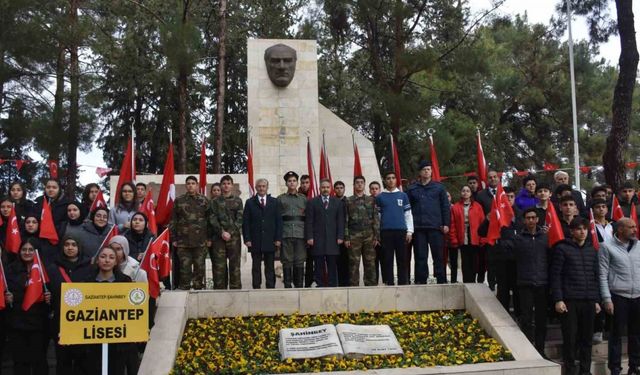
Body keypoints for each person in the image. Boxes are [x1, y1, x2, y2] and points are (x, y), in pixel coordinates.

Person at [551, 217, 601, 375]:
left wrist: (597, 300)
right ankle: (571, 370)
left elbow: (596, 276)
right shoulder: (562, 249)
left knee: (587, 339)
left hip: (589, 301)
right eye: (579, 229)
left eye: (585, 229)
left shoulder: (591, 249)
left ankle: (585, 371)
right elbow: (556, 275)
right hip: (569, 301)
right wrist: (558, 299)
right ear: (572, 231)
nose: (582, 232)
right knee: (570, 338)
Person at [599, 218, 640, 375]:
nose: (635, 230)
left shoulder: (639, 246)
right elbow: (602, 275)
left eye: (635, 227)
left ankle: (634, 366)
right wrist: (606, 298)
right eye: (631, 227)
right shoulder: (606, 247)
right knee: (616, 335)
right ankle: (615, 368)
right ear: (620, 229)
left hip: (637, 296)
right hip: (618, 296)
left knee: (636, 334)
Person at [46, 235, 93, 375]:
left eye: (74, 244)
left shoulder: (90, 268)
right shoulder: (52, 268)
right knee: (63, 361)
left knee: (82, 362)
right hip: (60, 322)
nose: (70, 248)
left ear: (79, 247)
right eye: (67, 244)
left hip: (82, 322)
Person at [5, 239, 52, 375]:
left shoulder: (46, 270)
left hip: (39, 325)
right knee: (20, 362)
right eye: (24, 250)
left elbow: (55, 293)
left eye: (31, 250)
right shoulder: (10, 270)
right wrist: (6, 298)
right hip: (16, 324)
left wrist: (50, 298)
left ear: (36, 252)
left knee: (39, 361)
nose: (27, 252)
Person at [506, 208, 548, 355]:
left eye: (533, 218)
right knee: (526, 318)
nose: (531, 220)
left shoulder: (545, 237)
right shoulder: (518, 238)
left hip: (542, 283)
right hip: (525, 284)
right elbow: (506, 251)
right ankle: (529, 350)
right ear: (524, 220)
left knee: (541, 320)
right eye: (528, 218)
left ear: (537, 220)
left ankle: (541, 350)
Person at [85, 246, 132, 375]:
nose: (107, 260)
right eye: (103, 257)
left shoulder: (125, 282)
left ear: (116, 261)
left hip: (118, 343)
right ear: (97, 260)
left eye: (111, 257)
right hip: (92, 343)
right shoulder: (86, 283)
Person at [406, 161, 450, 284]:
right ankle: (420, 280)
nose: (427, 171)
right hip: (418, 228)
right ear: (420, 172)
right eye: (424, 169)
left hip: (436, 227)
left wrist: (446, 223)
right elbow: (407, 209)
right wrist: (409, 228)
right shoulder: (412, 188)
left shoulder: (439, 187)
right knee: (420, 256)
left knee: (438, 256)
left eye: (429, 169)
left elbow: (445, 206)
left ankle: (441, 279)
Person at [169, 176, 212, 290]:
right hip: (183, 242)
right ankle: (185, 290)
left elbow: (210, 221)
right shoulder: (179, 200)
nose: (191, 185)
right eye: (188, 183)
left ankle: (198, 289)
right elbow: (173, 220)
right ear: (185, 186)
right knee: (184, 269)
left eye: (193, 183)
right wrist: (174, 239)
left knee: (199, 268)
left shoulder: (204, 200)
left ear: (197, 185)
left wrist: (209, 238)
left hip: (200, 241)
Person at [305, 179, 345, 287]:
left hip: (333, 240)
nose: (325, 189)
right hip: (317, 239)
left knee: (332, 265)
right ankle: (320, 285)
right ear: (319, 188)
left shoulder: (338, 202)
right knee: (318, 265)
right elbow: (309, 221)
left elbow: (341, 221)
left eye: (327, 187)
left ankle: (332, 285)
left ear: (330, 188)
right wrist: (309, 237)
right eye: (323, 187)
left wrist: (340, 236)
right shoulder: (312, 202)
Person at [243, 178, 282, 289]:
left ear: (267, 187)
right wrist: (247, 239)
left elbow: (279, 222)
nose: (261, 188)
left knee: (269, 266)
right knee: (256, 266)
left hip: (270, 240)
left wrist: (278, 238)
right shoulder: (250, 202)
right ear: (256, 188)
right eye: (259, 186)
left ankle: (270, 287)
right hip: (255, 240)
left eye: (263, 186)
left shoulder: (274, 202)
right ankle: (256, 287)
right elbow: (246, 222)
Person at [376, 171, 413, 285]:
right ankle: (389, 282)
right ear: (385, 181)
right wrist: (378, 234)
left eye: (393, 178)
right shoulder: (380, 197)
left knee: (402, 258)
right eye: (388, 178)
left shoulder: (403, 195)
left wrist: (410, 231)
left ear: (396, 180)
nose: (391, 180)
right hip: (386, 232)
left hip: (401, 231)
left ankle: (403, 282)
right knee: (387, 259)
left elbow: (408, 214)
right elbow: (378, 217)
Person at [345, 175, 379, 286]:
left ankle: (371, 286)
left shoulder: (371, 200)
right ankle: (353, 286)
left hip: (369, 236)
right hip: (354, 236)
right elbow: (345, 220)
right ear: (354, 185)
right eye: (357, 182)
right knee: (353, 263)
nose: (359, 184)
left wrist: (376, 236)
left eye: (361, 182)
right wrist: (346, 237)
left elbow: (375, 219)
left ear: (364, 185)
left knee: (370, 262)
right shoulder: (348, 201)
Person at [210, 175, 243, 290]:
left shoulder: (238, 201)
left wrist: (229, 232)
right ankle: (219, 291)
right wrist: (222, 232)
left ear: (232, 185)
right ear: (221, 185)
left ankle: (235, 291)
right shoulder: (214, 201)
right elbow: (212, 219)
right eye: (224, 183)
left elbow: (240, 219)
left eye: (228, 183)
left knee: (235, 266)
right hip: (219, 238)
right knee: (219, 266)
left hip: (233, 238)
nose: (226, 186)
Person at [277, 171, 307, 288]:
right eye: (289, 181)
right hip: (286, 233)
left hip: (300, 234)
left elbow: (307, 218)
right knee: (287, 260)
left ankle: (299, 286)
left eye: (294, 180)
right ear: (286, 183)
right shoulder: (280, 199)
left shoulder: (303, 199)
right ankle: (288, 286)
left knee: (300, 260)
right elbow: (277, 219)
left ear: (297, 182)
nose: (292, 183)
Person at [449, 185, 484, 283]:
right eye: (463, 191)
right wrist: (454, 239)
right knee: (465, 261)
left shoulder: (477, 206)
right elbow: (452, 224)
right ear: (461, 193)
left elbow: (482, 223)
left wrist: (482, 238)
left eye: (467, 191)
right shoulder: (455, 207)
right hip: (462, 235)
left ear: (471, 193)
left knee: (474, 261)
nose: (465, 192)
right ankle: (466, 282)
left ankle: (473, 281)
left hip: (475, 236)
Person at [475, 170, 501, 287]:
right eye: (490, 177)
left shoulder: (504, 193)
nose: (493, 179)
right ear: (487, 180)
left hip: (503, 233)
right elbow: (477, 215)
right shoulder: (480, 195)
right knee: (490, 262)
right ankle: (491, 286)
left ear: (498, 178)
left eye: (495, 177)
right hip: (487, 233)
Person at [333, 180, 349, 286]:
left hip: (347, 235)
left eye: (341, 187)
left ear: (344, 189)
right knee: (335, 261)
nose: (339, 189)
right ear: (334, 189)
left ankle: (345, 283)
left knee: (346, 261)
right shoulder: (332, 201)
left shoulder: (349, 201)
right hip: (334, 236)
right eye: (337, 188)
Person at [369, 180, 383, 284]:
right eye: (372, 189)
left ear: (380, 190)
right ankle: (374, 283)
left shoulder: (384, 200)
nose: (374, 191)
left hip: (384, 235)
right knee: (373, 262)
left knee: (385, 260)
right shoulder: (367, 201)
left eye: (376, 189)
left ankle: (387, 281)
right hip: (371, 237)